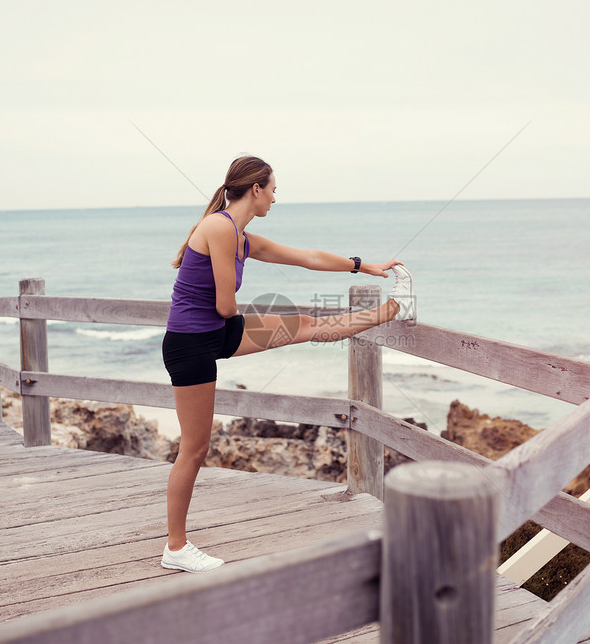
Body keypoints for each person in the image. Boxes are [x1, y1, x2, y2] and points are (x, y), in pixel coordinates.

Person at [160, 155, 414, 573]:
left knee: (309, 325)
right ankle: (176, 547)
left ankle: (393, 308)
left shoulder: (242, 236)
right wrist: (256, 326)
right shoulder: (220, 229)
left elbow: (308, 257)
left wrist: (364, 266)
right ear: (255, 189)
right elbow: (225, 305)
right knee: (194, 448)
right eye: (273, 190)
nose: (275, 198)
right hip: (191, 344)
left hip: (216, 332)